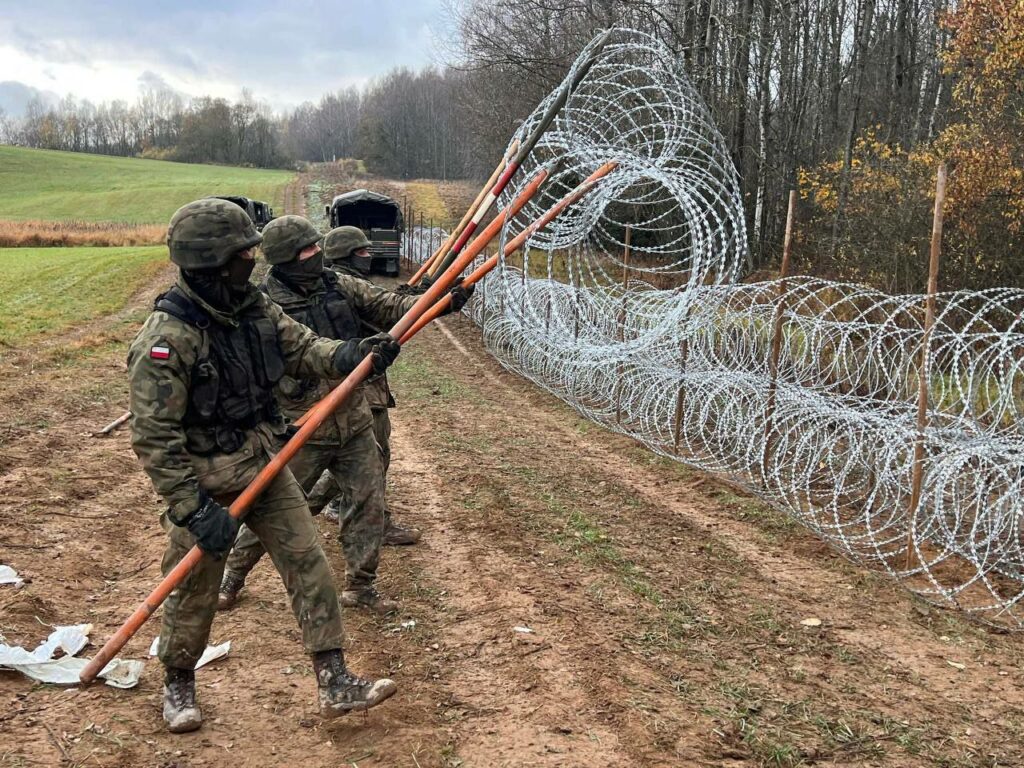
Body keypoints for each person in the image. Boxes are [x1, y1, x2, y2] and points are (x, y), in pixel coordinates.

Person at [127, 199, 398, 733]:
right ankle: (178, 682)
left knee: (309, 566)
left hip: (265, 465)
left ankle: (334, 680)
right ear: (213, 263)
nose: (254, 259)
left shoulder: (253, 307)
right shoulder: (165, 339)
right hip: (205, 485)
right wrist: (191, 509)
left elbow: (305, 348)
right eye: (243, 253)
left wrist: (353, 355)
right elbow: (154, 438)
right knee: (193, 588)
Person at [216, 217, 472, 614]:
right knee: (276, 507)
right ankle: (232, 576)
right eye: (307, 249)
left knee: (367, 500)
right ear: (286, 258)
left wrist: (440, 301)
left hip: (353, 417)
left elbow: (389, 307)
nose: (317, 254)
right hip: (303, 424)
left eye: (317, 246)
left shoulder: (337, 283)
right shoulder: (264, 304)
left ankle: (361, 586)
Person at [308, 225, 433, 545]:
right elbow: (381, 317)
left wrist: (417, 296)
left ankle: (329, 503)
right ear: (345, 255)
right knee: (372, 456)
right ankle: (365, 520)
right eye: (362, 251)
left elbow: (387, 305)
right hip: (359, 383)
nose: (369, 255)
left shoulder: (348, 282)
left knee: (366, 454)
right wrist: (426, 300)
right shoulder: (339, 287)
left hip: (366, 381)